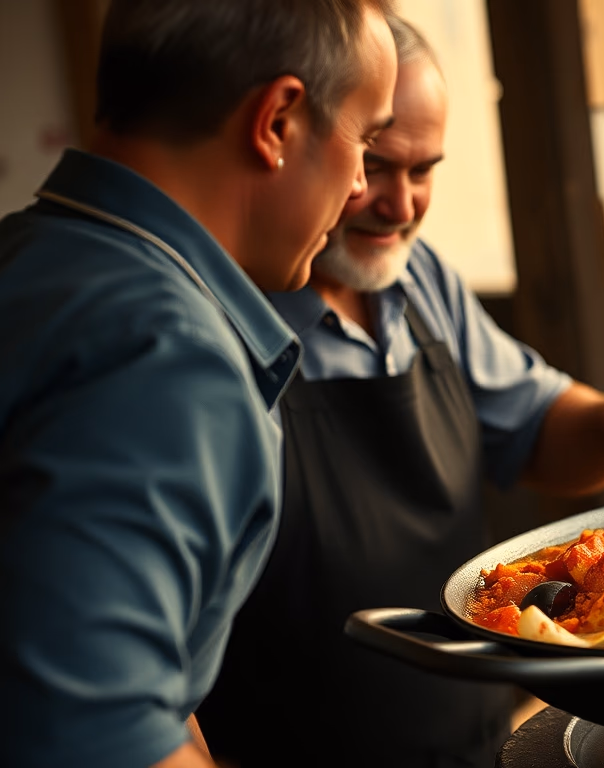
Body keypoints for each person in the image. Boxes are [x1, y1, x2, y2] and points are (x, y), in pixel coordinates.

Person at [195, 15, 604, 768]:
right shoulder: (216, 331)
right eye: (375, 165)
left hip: (482, 740)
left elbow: (539, 428)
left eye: (423, 172)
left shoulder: (420, 281)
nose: (400, 204)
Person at [0, 2, 397, 766]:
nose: (357, 187)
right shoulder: (167, 358)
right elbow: (97, 736)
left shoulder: (26, 254)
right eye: (366, 140)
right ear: (277, 122)